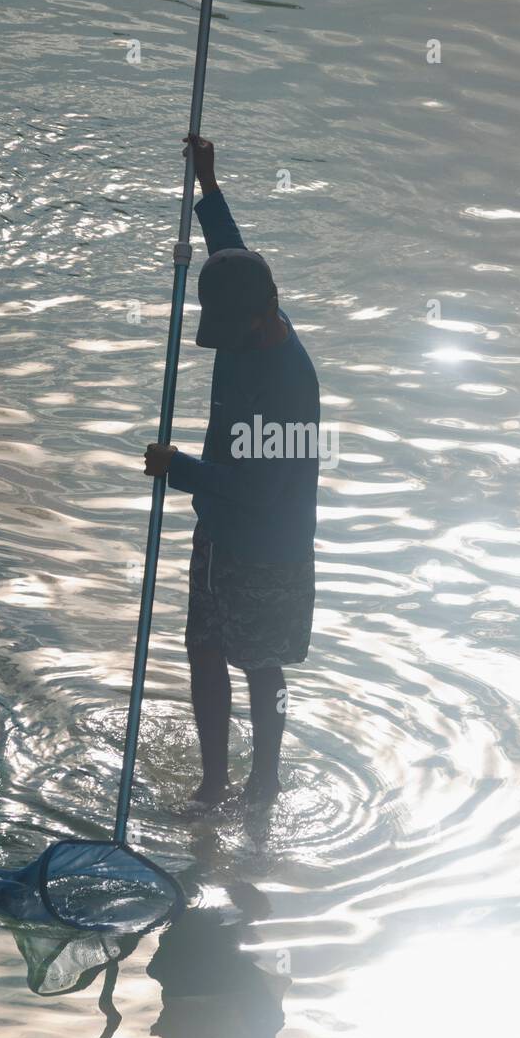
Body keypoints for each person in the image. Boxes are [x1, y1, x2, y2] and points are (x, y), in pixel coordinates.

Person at [144, 134, 320, 811]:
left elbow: (262, 490)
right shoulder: (249, 306)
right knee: (203, 650)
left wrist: (179, 469)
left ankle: (263, 781)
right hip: (217, 535)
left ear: (258, 318)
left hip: (267, 546)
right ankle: (214, 782)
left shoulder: (287, 386)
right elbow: (231, 252)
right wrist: (207, 186)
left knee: (259, 661)